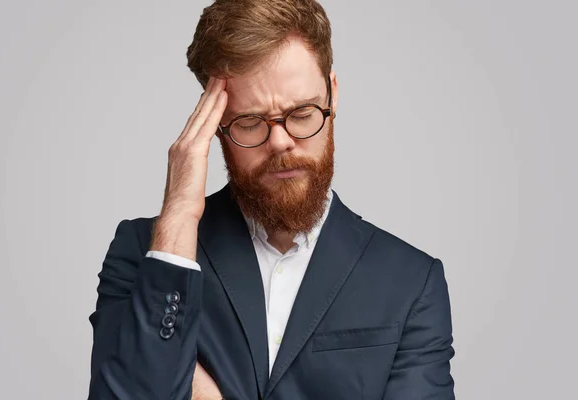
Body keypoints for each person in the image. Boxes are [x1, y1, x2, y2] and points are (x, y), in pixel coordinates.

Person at [87, 0, 455, 399]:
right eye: (250, 122)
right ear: (215, 126)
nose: (280, 141)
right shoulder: (146, 255)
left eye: (301, 113)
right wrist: (178, 215)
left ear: (332, 94)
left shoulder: (411, 281)